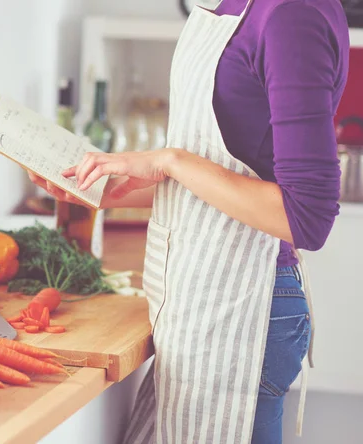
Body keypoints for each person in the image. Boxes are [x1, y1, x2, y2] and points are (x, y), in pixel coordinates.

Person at [30, 0, 349, 442]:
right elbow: (236, 161)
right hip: (200, 301)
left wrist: (170, 161)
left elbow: (307, 218)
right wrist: (117, 185)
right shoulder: (235, 8)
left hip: (246, 308)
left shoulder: (293, 13)